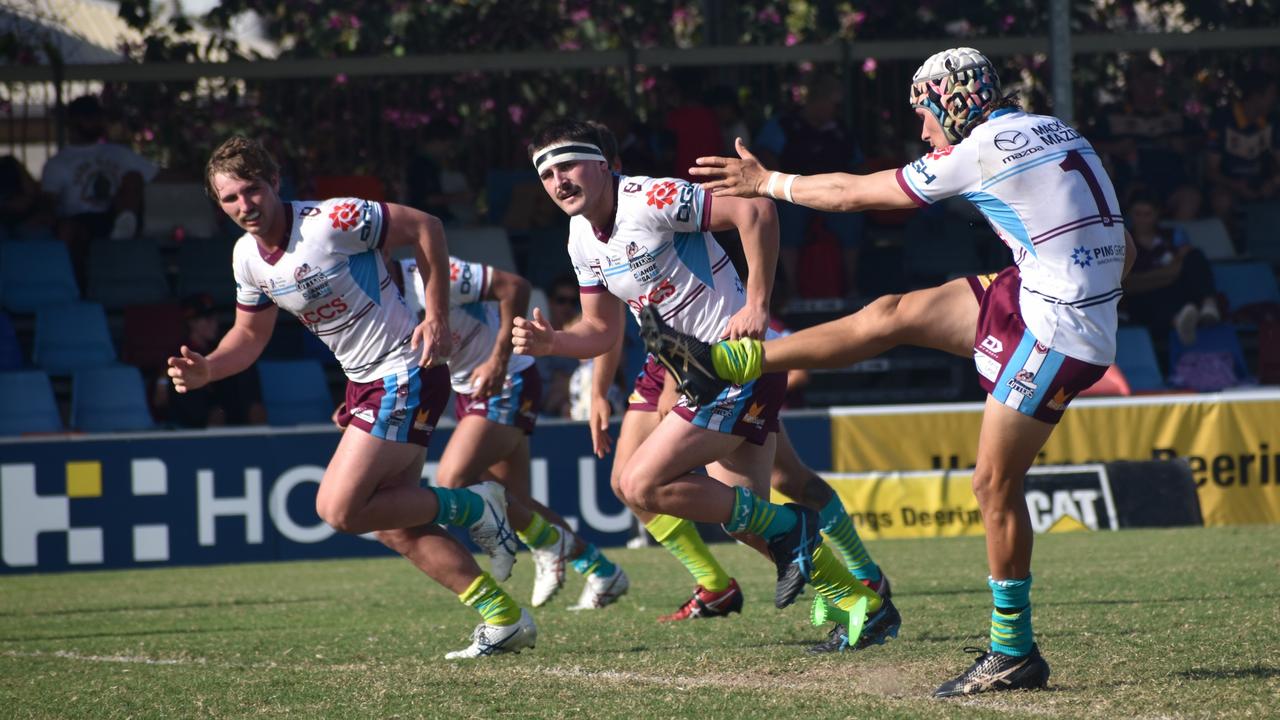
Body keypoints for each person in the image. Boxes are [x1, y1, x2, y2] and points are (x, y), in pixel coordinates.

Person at [665, 47, 1136, 696]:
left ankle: (1012, 651)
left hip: (1056, 327)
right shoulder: (1055, 128)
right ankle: (726, 361)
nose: (922, 129)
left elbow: (856, 194)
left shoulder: (981, 149)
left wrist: (768, 183)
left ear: (952, 99)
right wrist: (1090, 292)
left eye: (924, 111)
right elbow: (1127, 247)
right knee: (891, 313)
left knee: (992, 484)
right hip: (1037, 293)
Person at [511, 119, 897, 647]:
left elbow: (756, 208)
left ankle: (799, 534)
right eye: (547, 174)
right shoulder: (581, 236)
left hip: (732, 367)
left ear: (604, 165)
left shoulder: (649, 198)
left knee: (639, 483)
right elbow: (602, 329)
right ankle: (861, 601)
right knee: (743, 521)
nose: (558, 182)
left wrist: (758, 304)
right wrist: (552, 343)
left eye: (568, 166)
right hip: (687, 369)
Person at [170, 135, 532, 659]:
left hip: (403, 369)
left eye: (252, 190)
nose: (244, 206)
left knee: (338, 509)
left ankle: (476, 504)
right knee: (393, 526)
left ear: (275, 183)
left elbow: (425, 226)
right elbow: (248, 338)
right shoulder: (246, 257)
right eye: (230, 199)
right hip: (366, 381)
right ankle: (503, 617)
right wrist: (208, 369)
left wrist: (436, 316)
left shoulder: (330, 220)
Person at [395, 254, 629, 610]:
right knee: (514, 501)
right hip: (469, 389)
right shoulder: (373, 293)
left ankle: (549, 545)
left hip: (507, 378)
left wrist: (498, 359)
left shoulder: (423, 273)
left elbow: (513, 287)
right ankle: (601, 569)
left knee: (453, 478)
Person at [753, 74, 867, 298]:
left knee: (853, 218)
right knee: (786, 221)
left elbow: (859, 164)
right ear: (818, 101)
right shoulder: (784, 124)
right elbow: (765, 156)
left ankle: (851, 288)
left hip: (835, 195)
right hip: (794, 195)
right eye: (834, 104)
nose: (836, 109)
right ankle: (793, 291)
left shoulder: (841, 129)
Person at [40, 95, 158, 282]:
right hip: (80, 220)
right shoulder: (57, 163)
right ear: (73, 121)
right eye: (88, 117)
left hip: (116, 213)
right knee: (68, 230)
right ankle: (75, 285)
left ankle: (124, 228)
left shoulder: (119, 153)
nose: (96, 122)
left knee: (133, 176)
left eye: (97, 117)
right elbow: (48, 201)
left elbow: (157, 175)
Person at [155, 293, 267, 428]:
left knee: (242, 363)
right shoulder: (177, 354)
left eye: (214, 318)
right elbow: (160, 400)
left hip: (230, 415)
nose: (214, 323)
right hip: (193, 422)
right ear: (192, 323)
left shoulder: (221, 349)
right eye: (207, 319)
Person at [1122, 193, 1219, 345]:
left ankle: (1209, 307)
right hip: (1144, 298)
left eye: (1147, 214)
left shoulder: (1173, 235)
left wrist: (1156, 276)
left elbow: (1188, 262)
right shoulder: (1122, 242)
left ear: (1157, 214)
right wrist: (1171, 271)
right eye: (1137, 214)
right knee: (1146, 300)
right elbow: (1128, 283)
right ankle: (1179, 323)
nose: (1142, 219)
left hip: (1175, 290)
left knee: (1195, 255)